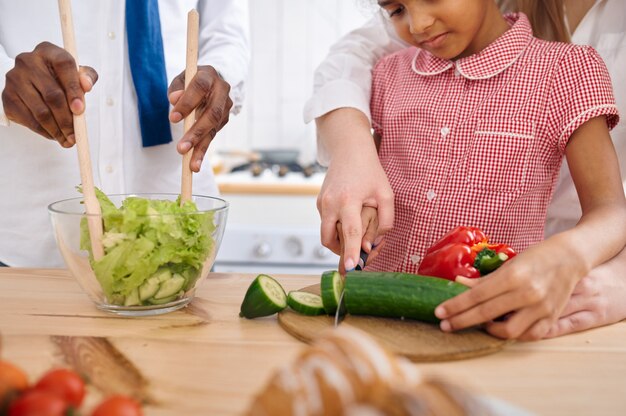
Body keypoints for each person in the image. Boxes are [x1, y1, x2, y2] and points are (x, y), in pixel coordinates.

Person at [304, 0, 626, 340]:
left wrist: (569, 252)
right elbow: (377, 182)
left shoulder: (569, 69)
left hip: (490, 324)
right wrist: (360, 218)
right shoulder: (387, 73)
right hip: (375, 320)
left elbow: (611, 209)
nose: (418, 25)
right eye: (397, 10)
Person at [0, 0, 250, 267]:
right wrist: (4, 78)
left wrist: (219, 74)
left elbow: (227, 34)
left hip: (178, 229)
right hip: (31, 238)